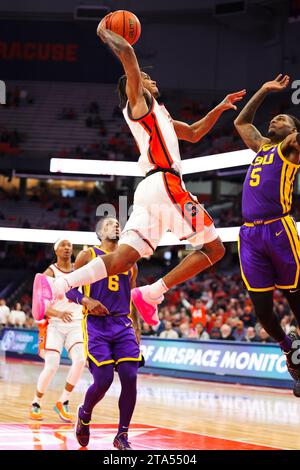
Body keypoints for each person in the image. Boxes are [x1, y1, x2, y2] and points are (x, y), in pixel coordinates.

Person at [32, 20, 246, 327]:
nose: (149, 78)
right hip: (166, 184)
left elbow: (196, 133)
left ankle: (57, 286)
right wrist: (105, 32)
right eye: (144, 76)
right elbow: (129, 56)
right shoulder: (139, 105)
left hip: (149, 189)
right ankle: (152, 293)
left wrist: (220, 107)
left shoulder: (161, 113)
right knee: (215, 247)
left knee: (123, 259)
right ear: (133, 86)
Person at [234, 74, 300, 394]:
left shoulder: (291, 147)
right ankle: (289, 349)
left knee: (295, 298)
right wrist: (262, 90)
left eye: (283, 118)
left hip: (279, 229)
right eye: (275, 117)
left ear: (293, 131)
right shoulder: (262, 146)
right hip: (250, 235)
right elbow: (242, 122)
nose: (275, 119)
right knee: (262, 309)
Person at [66, 217, 142, 450]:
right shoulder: (87, 255)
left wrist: (137, 329)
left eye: (118, 223)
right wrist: (86, 299)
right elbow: (69, 288)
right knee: (104, 380)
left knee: (130, 377)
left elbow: (132, 299)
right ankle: (85, 413)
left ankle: (122, 435)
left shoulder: (131, 261)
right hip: (96, 326)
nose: (116, 225)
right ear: (99, 232)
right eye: (109, 223)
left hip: (123, 324)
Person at [30, 239, 85, 422]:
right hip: (55, 324)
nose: (68, 247)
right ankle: (36, 402)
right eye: (63, 245)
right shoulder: (49, 273)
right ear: (56, 250)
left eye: (70, 245)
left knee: (80, 360)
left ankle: (63, 401)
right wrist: (58, 313)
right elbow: (40, 305)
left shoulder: (80, 271)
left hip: (76, 323)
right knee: (52, 365)